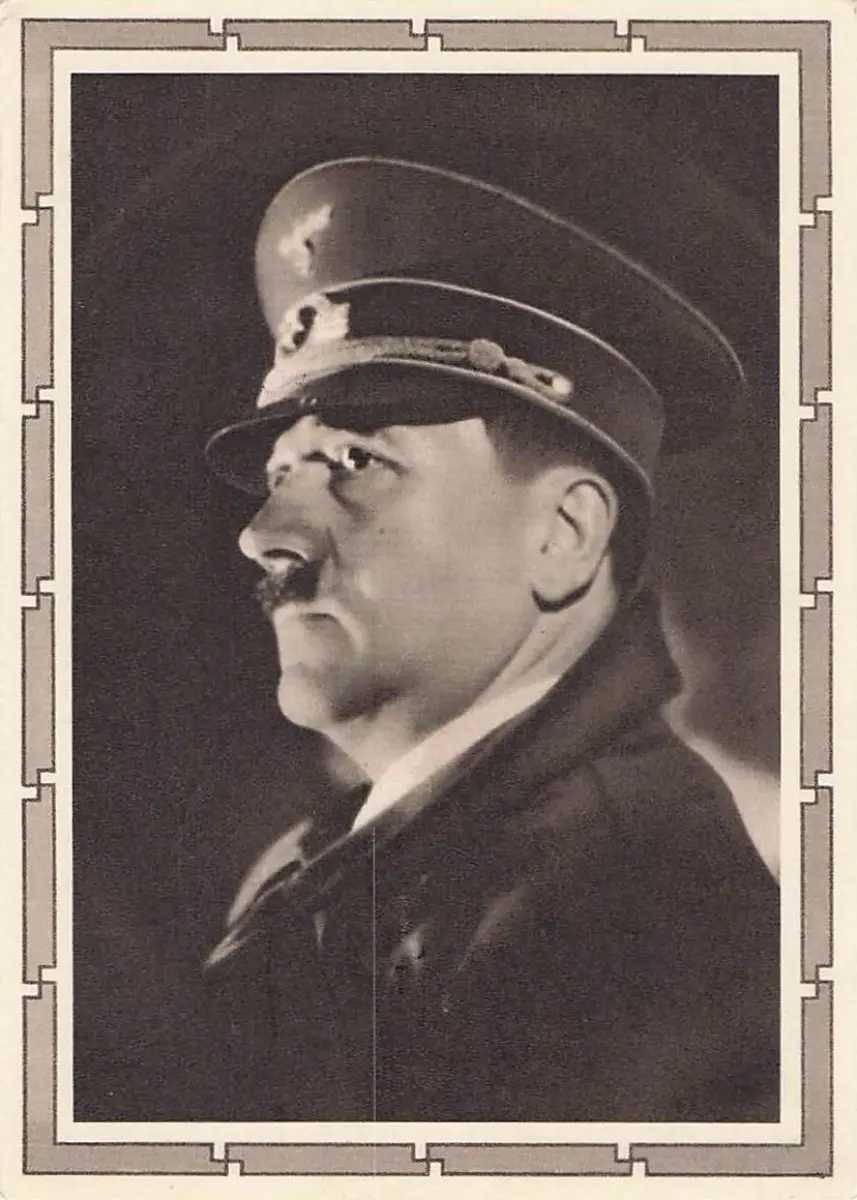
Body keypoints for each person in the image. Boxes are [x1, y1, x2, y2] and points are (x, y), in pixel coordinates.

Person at [200, 157, 779, 1122]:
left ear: (563, 536)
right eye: (280, 475)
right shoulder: (329, 859)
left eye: (357, 461)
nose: (265, 536)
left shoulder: (627, 920)